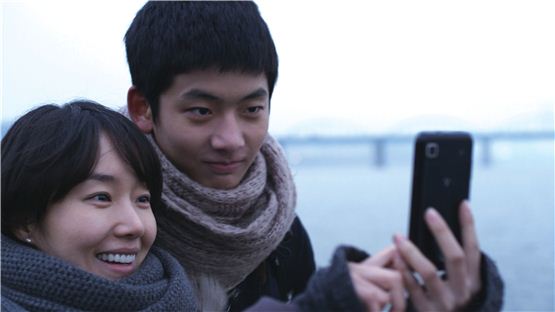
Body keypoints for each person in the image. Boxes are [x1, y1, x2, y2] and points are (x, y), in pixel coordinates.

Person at [124, 1, 503, 311]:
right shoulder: (109, 226)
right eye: (202, 112)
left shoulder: (278, 226)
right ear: (143, 108)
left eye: (252, 110)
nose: (231, 140)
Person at [1, 100, 198, 310]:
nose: (135, 226)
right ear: (24, 221)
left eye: (142, 199)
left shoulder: (184, 300)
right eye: (102, 197)